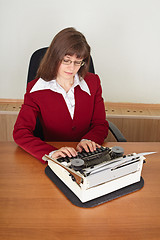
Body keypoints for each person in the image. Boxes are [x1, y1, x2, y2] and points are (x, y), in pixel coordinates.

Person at [13, 27, 109, 163]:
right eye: (66, 60)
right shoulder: (36, 90)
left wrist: (89, 139)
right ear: (54, 57)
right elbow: (20, 132)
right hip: (57, 156)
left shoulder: (93, 82)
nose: (72, 68)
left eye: (77, 62)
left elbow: (100, 123)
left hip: (88, 155)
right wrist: (50, 153)